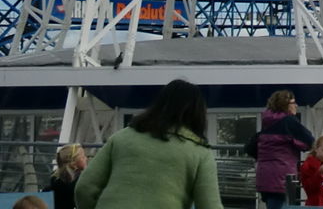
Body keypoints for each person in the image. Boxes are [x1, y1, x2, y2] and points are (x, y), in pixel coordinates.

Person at [73, 79, 222, 209]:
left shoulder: (122, 137)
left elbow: (84, 187)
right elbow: (209, 205)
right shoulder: (200, 153)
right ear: (198, 113)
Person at [254, 90, 314, 209]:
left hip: (265, 174)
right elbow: (309, 140)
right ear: (285, 105)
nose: (296, 105)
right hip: (282, 175)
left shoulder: (267, 120)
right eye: (293, 103)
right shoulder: (288, 121)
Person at [48, 145, 86, 209]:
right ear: (74, 163)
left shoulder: (56, 179)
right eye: (83, 157)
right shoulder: (76, 183)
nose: (86, 158)